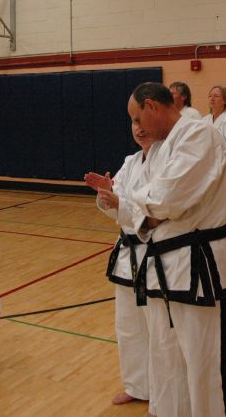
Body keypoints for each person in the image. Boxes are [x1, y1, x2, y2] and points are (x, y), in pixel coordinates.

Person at [127, 82, 226, 417]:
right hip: (166, 264)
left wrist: (144, 204)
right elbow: (152, 201)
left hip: (200, 264)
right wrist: (148, 207)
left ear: (151, 106)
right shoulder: (163, 146)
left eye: (138, 118)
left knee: (204, 362)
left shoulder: (198, 135)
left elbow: (166, 198)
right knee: (168, 356)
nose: (138, 127)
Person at [84, 121, 157, 411]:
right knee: (128, 326)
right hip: (127, 256)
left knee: (157, 330)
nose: (139, 128)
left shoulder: (167, 162)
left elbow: (155, 211)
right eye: (135, 122)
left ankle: (162, 394)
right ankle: (137, 386)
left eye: (144, 121)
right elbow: (116, 207)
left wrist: (119, 203)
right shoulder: (130, 162)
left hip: (155, 256)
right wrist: (106, 196)